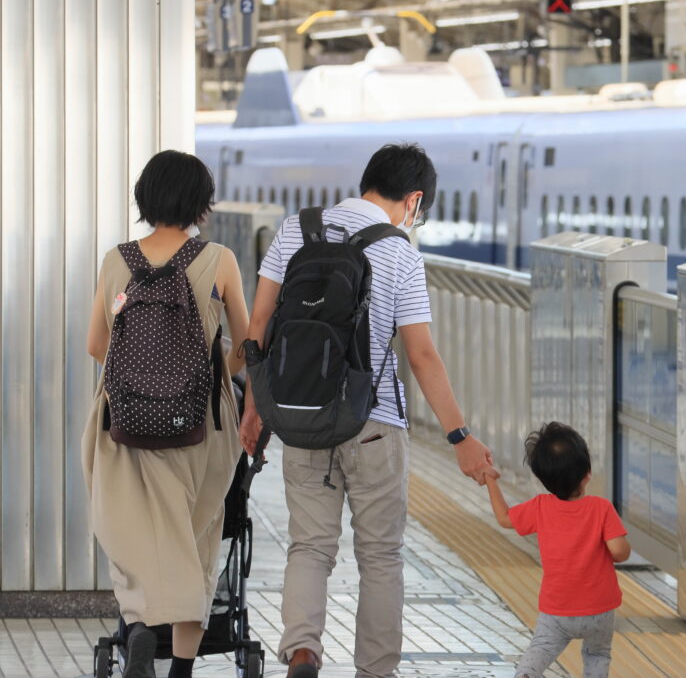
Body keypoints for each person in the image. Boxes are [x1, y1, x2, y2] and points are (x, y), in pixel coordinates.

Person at [239, 143, 497, 678]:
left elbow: (257, 327)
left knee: (309, 547)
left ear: (367, 182)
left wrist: (255, 407)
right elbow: (421, 355)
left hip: (301, 415)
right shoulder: (400, 251)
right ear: (414, 199)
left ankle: (304, 651)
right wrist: (460, 436)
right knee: (380, 557)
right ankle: (376, 671)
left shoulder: (295, 230)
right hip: (375, 425)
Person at [82, 150, 250, 678]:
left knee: (134, 537)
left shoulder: (117, 260)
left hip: (124, 424)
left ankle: (137, 631)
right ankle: (180, 669)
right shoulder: (219, 259)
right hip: (199, 427)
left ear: (146, 198)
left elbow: (95, 345)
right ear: (201, 203)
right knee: (195, 540)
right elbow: (246, 345)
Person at [484, 422, 631, 678]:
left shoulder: (541, 507)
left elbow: (505, 518)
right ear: (587, 473)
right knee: (597, 654)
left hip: (557, 610)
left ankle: (526, 674)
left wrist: (490, 481)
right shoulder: (601, 508)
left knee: (539, 650)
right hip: (599, 609)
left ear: (544, 480)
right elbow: (619, 551)